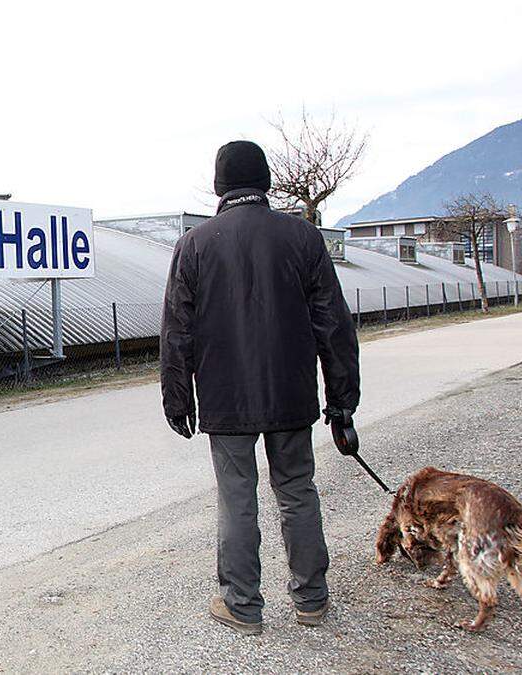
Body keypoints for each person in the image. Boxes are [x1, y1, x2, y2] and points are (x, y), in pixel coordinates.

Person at [159, 140, 360, 636]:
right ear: (266, 181)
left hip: (226, 399)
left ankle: (242, 605)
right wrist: (342, 401)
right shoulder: (303, 237)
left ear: (219, 186)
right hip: (291, 394)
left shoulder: (196, 245)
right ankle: (312, 599)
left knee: (237, 497)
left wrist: (177, 396)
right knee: (296, 491)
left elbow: (176, 330)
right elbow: (334, 326)